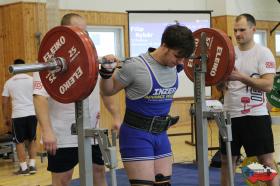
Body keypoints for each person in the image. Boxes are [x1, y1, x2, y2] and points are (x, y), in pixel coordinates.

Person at [99, 24, 195, 186]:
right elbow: (108, 91)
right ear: (164, 45)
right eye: (177, 56)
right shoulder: (135, 67)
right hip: (136, 136)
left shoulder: (175, 66)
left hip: (161, 135)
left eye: (183, 58)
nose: (180, 62)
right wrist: (106, 73)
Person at [33, 13, 121, 186]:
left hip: (92, 131)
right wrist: (47, 131)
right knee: (62, 180)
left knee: (98, 172)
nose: (83, 36)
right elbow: (39, 98)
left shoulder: (93, 61)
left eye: (85, 32)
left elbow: (105, 92)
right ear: (65, 33)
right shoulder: (48, 63)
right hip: (62, 135)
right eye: (79, 31)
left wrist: (117, 117)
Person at [219, 13, 279, 186]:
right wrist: (221, 81)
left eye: (242, 30)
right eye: (235, 30)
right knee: (227, 161)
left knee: (265, 161)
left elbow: (268, 85)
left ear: (253, 29)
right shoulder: (230, 53)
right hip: (229, 116)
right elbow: (221, 87)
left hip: (256, 115)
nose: (238, 34)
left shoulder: (263, 53)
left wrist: (240, 77)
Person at [2, 59, 38, 175]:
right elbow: (38, 97)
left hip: (18, 116)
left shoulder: (9, 82)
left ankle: (23, 168)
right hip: (32, 114)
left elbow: (4, 102)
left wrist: (6, 117)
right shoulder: (32, 80)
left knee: (19, 142)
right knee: (32, 139)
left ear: (14, 67)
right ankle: (32, 166)